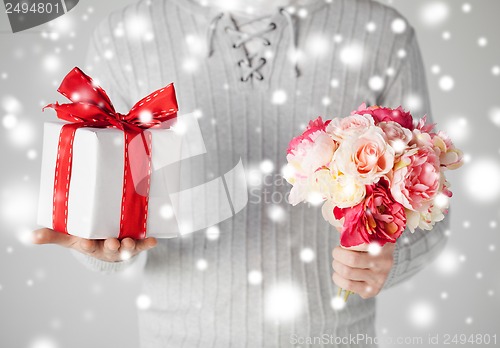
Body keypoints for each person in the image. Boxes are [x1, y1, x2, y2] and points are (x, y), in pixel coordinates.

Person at [34, 0, 448, 346]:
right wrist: (98, 249)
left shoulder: (382, 32)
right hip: (179, 337)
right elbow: (101, 214)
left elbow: (430, 210)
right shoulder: (125, 33)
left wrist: (389, 260)